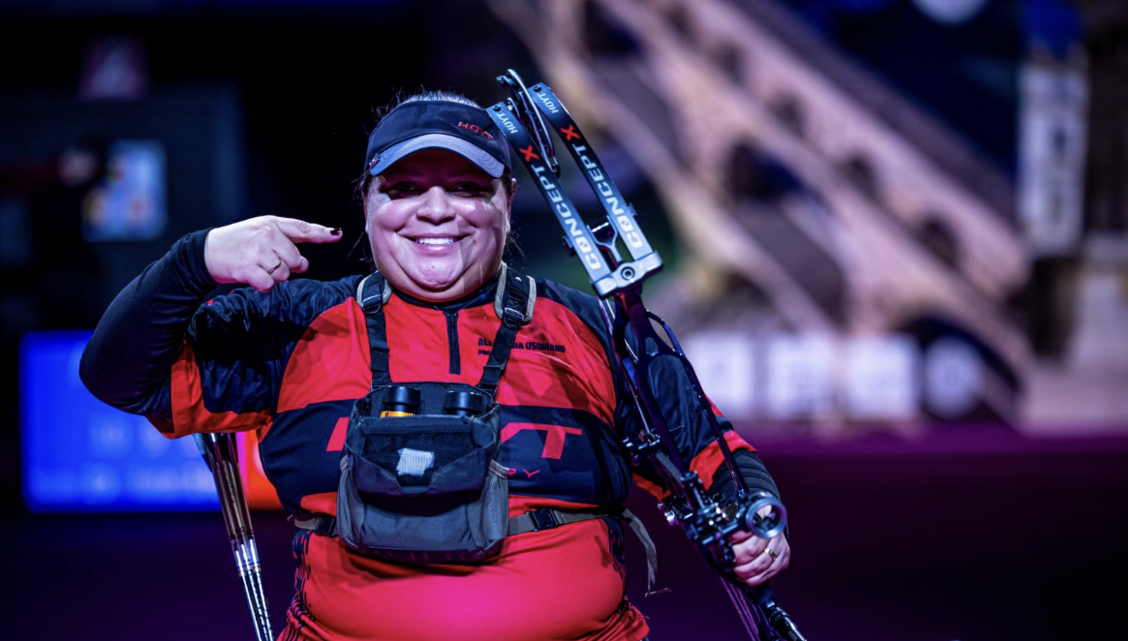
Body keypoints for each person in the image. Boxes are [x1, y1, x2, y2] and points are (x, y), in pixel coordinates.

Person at [80, 91, 790, 641]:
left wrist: (759, 520)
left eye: (467, 186)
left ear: (508, 202)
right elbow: (117, 376)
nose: (436, 210)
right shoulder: (292, 321)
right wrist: (194, 260)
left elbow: (711, 453)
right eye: (404, 187)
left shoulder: (597, 325)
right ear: (366, 201)